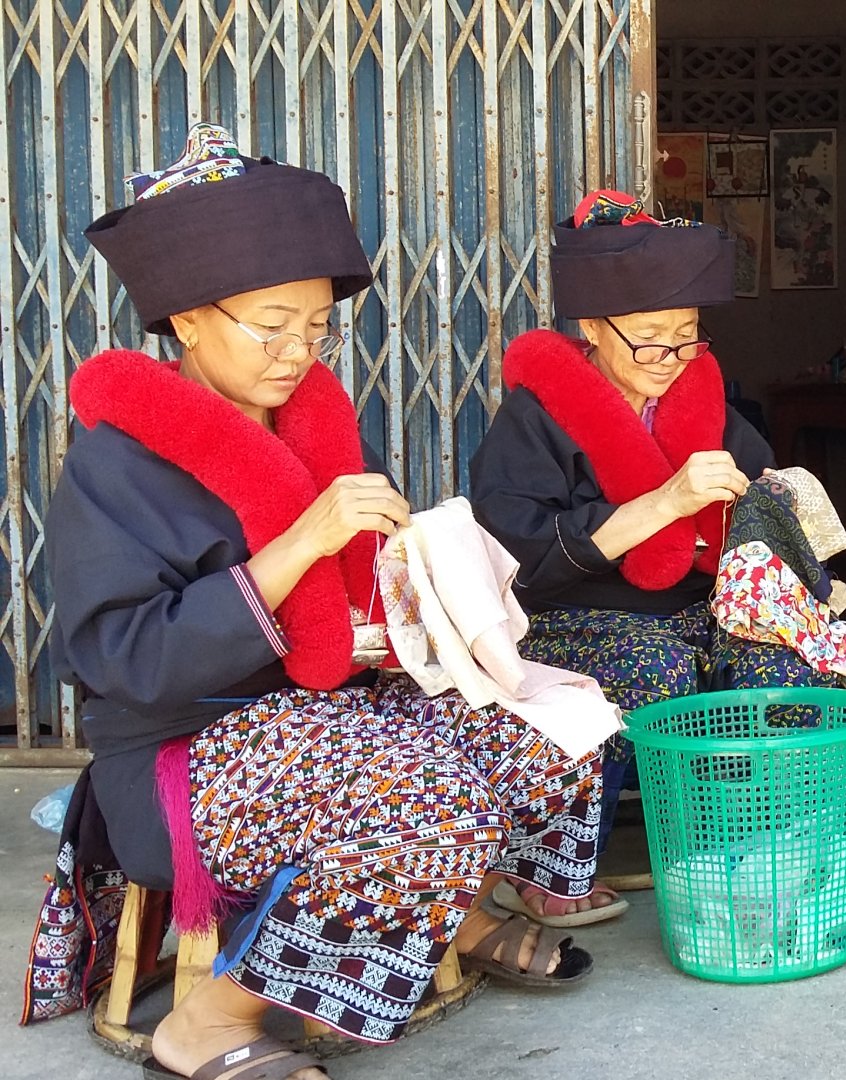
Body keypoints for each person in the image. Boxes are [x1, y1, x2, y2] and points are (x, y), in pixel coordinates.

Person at [24, 125, 599, 1080]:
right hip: (184, 754)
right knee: (415, 792)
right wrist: (298, 547)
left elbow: (333, 624)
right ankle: (211, 1018)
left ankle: (452, 912)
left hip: (324, 716)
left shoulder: (307, 431)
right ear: (188, 318)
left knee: (555, 723)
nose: (299, 350)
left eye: (319, 327)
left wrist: (411, 612)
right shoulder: (113, 465)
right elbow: (123, 659)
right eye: (271, 323)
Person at [469, 190, 841, 919]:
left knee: (788, 662)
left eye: (687, 335)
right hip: (577, 614)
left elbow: (755, 502)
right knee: (653, 668)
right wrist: (664, 505)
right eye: (648, 338)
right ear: (592, 328)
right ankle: (547, 870)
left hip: (699, 607)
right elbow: (515, 558)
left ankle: (756, 855)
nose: (670, 358)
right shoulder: (534, 419)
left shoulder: (703, 399)